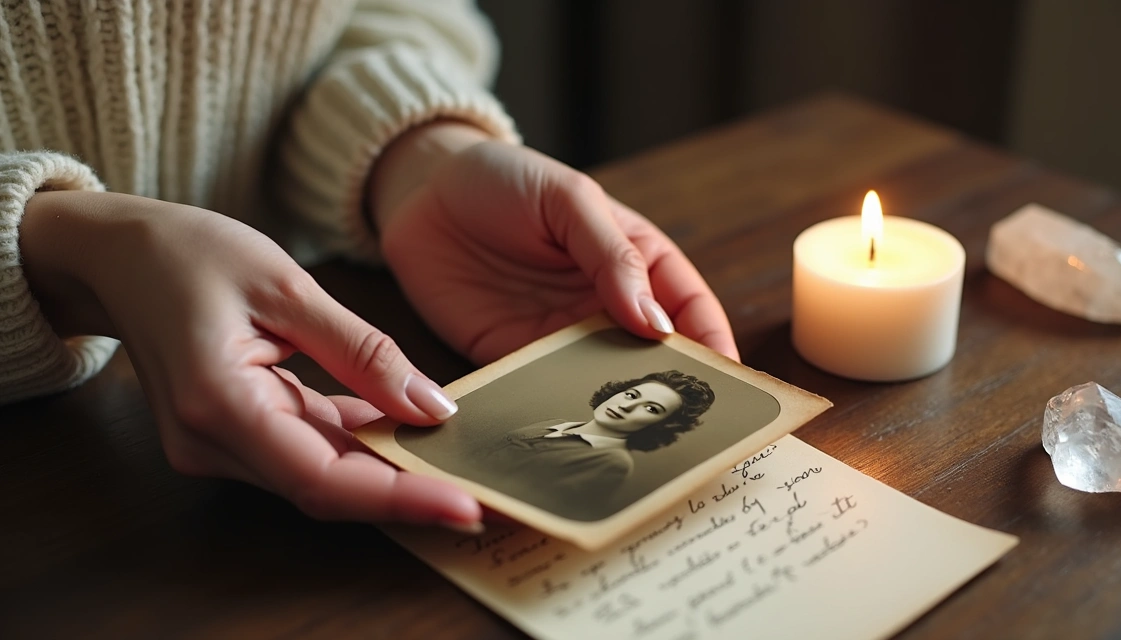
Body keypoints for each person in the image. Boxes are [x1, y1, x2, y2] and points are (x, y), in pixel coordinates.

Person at [0, 1, 736, 535]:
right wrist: (66, 252)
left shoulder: (600, 465)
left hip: (287, 305)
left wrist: (417, 157)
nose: (630, 407)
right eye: (636, 394)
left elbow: (381, 13)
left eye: (648, 411)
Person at [485, 371, 715, 521]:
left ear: (663, 425)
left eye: (651, 409)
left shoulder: (612, 462)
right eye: (631, 395)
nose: (626, 406)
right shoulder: (554, 423)